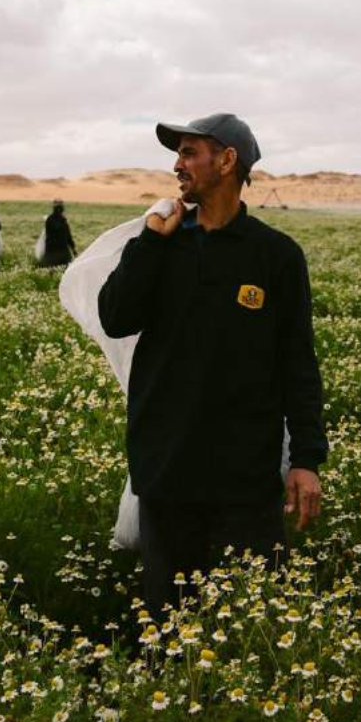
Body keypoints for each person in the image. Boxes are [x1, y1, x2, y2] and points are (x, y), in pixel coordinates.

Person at [97, 113, 327, 615]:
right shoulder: (160, 243)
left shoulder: (276, 256)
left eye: (189, 153)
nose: (177, 165)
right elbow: (115, 318)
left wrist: (306, 459)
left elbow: (297, 362)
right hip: (167, 469)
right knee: (167, 617)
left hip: (246, 474)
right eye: (177, 154)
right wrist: (152, 243)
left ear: (227, 162)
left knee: (252, 617)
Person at [39, 200, 77, 267]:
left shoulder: (51, 219)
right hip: (58, 251)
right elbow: (67, 235)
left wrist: (73, 248)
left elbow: (68, 235)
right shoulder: (59, 220)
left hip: (54, 250)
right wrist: (73, 248)